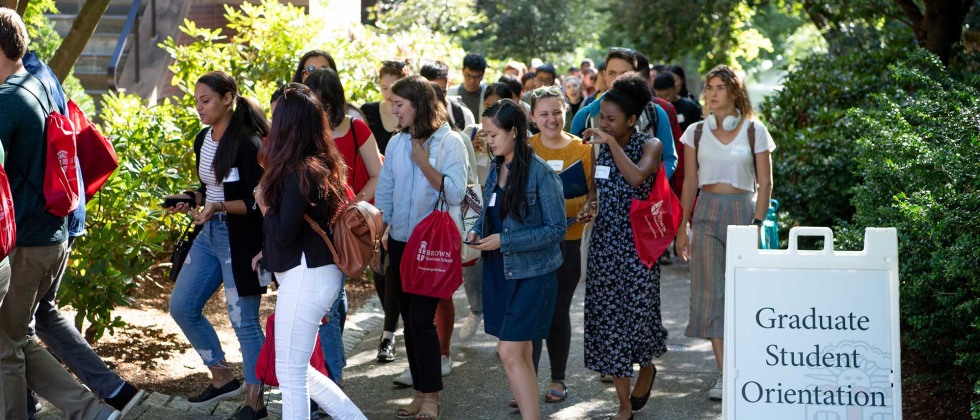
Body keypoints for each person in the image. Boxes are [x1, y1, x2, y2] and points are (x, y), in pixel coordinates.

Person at [0, 8, 122, 419]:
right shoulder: (42, 82)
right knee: (15, 338)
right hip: (56, 234)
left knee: (7, 347)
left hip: (27, 245)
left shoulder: (8, 100)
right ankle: (94, 410)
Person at [22, 48, 145, 420]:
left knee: (18, 328)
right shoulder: (42, 76)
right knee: (40, 314)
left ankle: (46, 404)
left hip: (44, 222)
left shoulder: (21, 86)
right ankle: (116, 392)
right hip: (66, 211)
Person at [255, 82, 367, 420]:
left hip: (306, 275)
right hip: (316, 273)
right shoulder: (320, 163)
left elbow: (284, 232)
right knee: (298, 369)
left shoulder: (297, 172)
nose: (272, 127)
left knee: (290, 372)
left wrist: (263, 206)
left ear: (288, 125)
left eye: (277, 119)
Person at [164, 71, 269, 419]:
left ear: (228, 98)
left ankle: (255, 401)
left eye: (205, 100)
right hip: (209, 235)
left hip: (242, 240)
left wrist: (219, 206)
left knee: (244, 321)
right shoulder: (202, 139)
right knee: (181, 305)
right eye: (196, 101)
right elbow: (209, 186)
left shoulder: (249, 143)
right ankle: (222, 376)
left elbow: (255, 202)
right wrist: (190, 198)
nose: (199, 107)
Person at [674, 65, 775, 401]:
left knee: (744, 296)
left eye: (719, 87)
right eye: (708, 87)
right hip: (706, 213)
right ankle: (725, 374)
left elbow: (766, 183)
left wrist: (757, 225)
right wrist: (682, 228)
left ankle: (751, 364)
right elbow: (689, 183)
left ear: (735, 92)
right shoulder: (696, 132)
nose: (712, 93)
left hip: (743, 213)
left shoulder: (753, 130)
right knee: (710, 295)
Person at [375, 75, 468, 420]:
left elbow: (457, 193)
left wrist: (424, 164)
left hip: (432, 246)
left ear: (418, 104)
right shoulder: (397, 142)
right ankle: (420, 393)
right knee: (411, 324)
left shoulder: (450, 142)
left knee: (420, 320)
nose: (393, 110)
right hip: (399, 242)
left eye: (399, 105)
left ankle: (431, 399)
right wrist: (378, 236)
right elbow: (385, 192)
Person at [467, 99, 566, 420]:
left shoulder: (540, 173)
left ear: (513, 131)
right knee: (518, 351)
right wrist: (477, 231)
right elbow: (489, 212)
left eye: (493, 134)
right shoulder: (496, 167)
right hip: (499, 270)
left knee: (508, 351)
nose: (488, 140)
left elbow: (556, 229)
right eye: (485, 134)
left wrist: (504, 239)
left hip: (532, 275)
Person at [578, 73, 669, 420]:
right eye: (602, 117)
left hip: (639, 251)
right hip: (605, 248)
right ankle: (623, 406)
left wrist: (611, 142)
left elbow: (635, 177)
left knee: (640, 320)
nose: (603, 123)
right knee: (608, 322)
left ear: (632, 120)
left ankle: (646, 368)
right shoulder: (599, 147)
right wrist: (591, 205)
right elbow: (596, 190)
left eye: (611, 119)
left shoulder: (651, 146)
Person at [304, 68, 384, 388]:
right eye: (316, 104)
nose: (322, 112)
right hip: (311, 227)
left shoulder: (356, 128)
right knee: (328, 307)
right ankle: (327, 380)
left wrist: (353, 204)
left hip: (343, 227)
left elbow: (378, 173)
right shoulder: (306, 131)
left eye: (326, 105)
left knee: (328, 311)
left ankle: (333, 385)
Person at [526, 86, 593, 405]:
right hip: (533, 244)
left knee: (557, 312)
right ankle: (526, 383)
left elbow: (594, 192)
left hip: (568, 241)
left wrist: (589, 205)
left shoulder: (583, 149)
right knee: (532, 314)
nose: (551, 119)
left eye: (557, 112)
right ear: (532, 117)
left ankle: (558, 380)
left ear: (566, 111)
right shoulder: (525, 147)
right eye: (544, 113)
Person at [359, 59, 410, 364]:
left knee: (395, 265)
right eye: (383, 88)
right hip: (376, 198)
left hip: (406, 198)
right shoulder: (368, 112)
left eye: (393, 89)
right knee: (378, 264)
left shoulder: (411, 113)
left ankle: (388, 333)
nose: (388, 96)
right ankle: (391, 319)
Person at [570, 47, 677, 181]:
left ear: (635, 75)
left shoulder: (655, 113)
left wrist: (653, 188)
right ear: (604, 75)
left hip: (645, 200)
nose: (617, 79)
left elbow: (669, 158)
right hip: (599, 199)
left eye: (624, 73)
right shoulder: (585, 116)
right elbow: (574, 162)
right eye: (612, 73)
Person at [292, 49, 366, 121]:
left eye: (324, 69)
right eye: (310, 69)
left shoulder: (352, 115)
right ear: (302, 76)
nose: (318, 74)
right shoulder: (290, 113)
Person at [421, 61, 475, 131]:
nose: (436, 97)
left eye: (441, 92)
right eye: (431, 92)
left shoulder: (464, 115)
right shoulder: (413, 114)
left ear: (449, 84)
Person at [448, 53, 487, 118]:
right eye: (468, 75)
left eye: (477, 77)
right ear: (463, 71)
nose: (472, 80)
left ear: (482, 75)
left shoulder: (487, 93)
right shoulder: (451, 93)